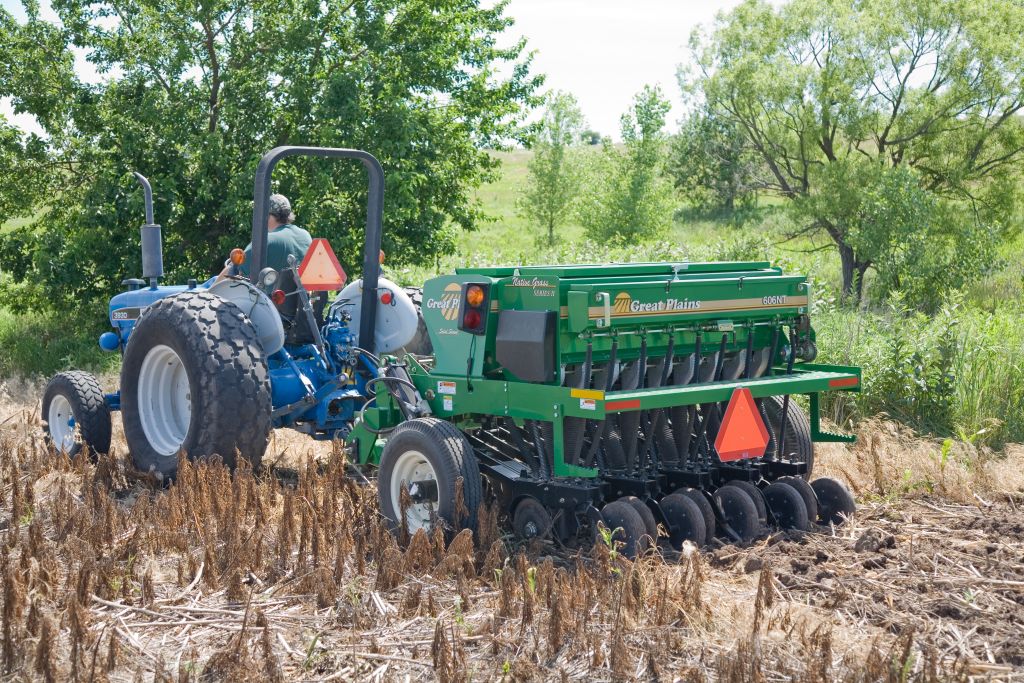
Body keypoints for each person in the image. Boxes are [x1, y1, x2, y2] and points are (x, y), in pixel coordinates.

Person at [219, 194, 312, 280]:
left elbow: (234, 270)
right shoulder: (305, 235)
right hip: (298, 296)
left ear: (267, 216)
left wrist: (209, 292)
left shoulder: (265, 241)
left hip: (265, 297)